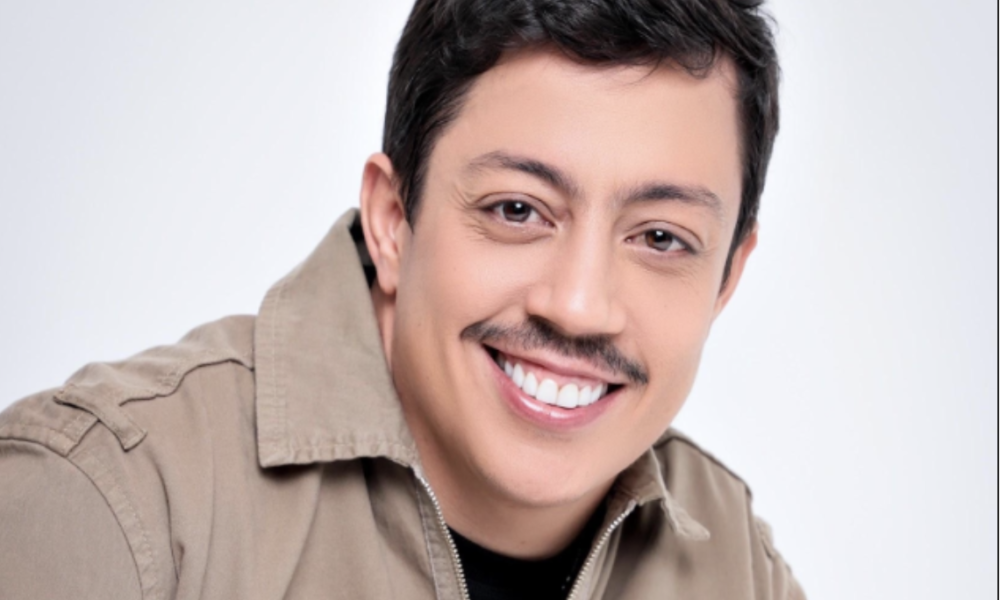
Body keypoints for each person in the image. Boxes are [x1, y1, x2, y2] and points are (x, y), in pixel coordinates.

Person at [0, 0, 805, 598]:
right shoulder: (109, 503)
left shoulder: (737, 569)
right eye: (516, 210)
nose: (578, 305)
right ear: (391, 220)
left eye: (661, 237)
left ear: (727, 279)